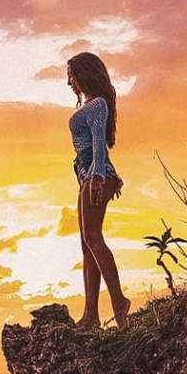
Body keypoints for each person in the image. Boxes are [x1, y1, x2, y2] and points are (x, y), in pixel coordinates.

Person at [67, 50, 131, 331]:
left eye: (71, 76)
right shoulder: (94, 105)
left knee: (93, 238)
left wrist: (96, 178)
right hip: (89, 175)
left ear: (83, 74)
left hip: (94, 175)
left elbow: (97, 144)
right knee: (87, 243)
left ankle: (118, 302)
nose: (70, 83)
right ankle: (91, 316)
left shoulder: (97, 105)